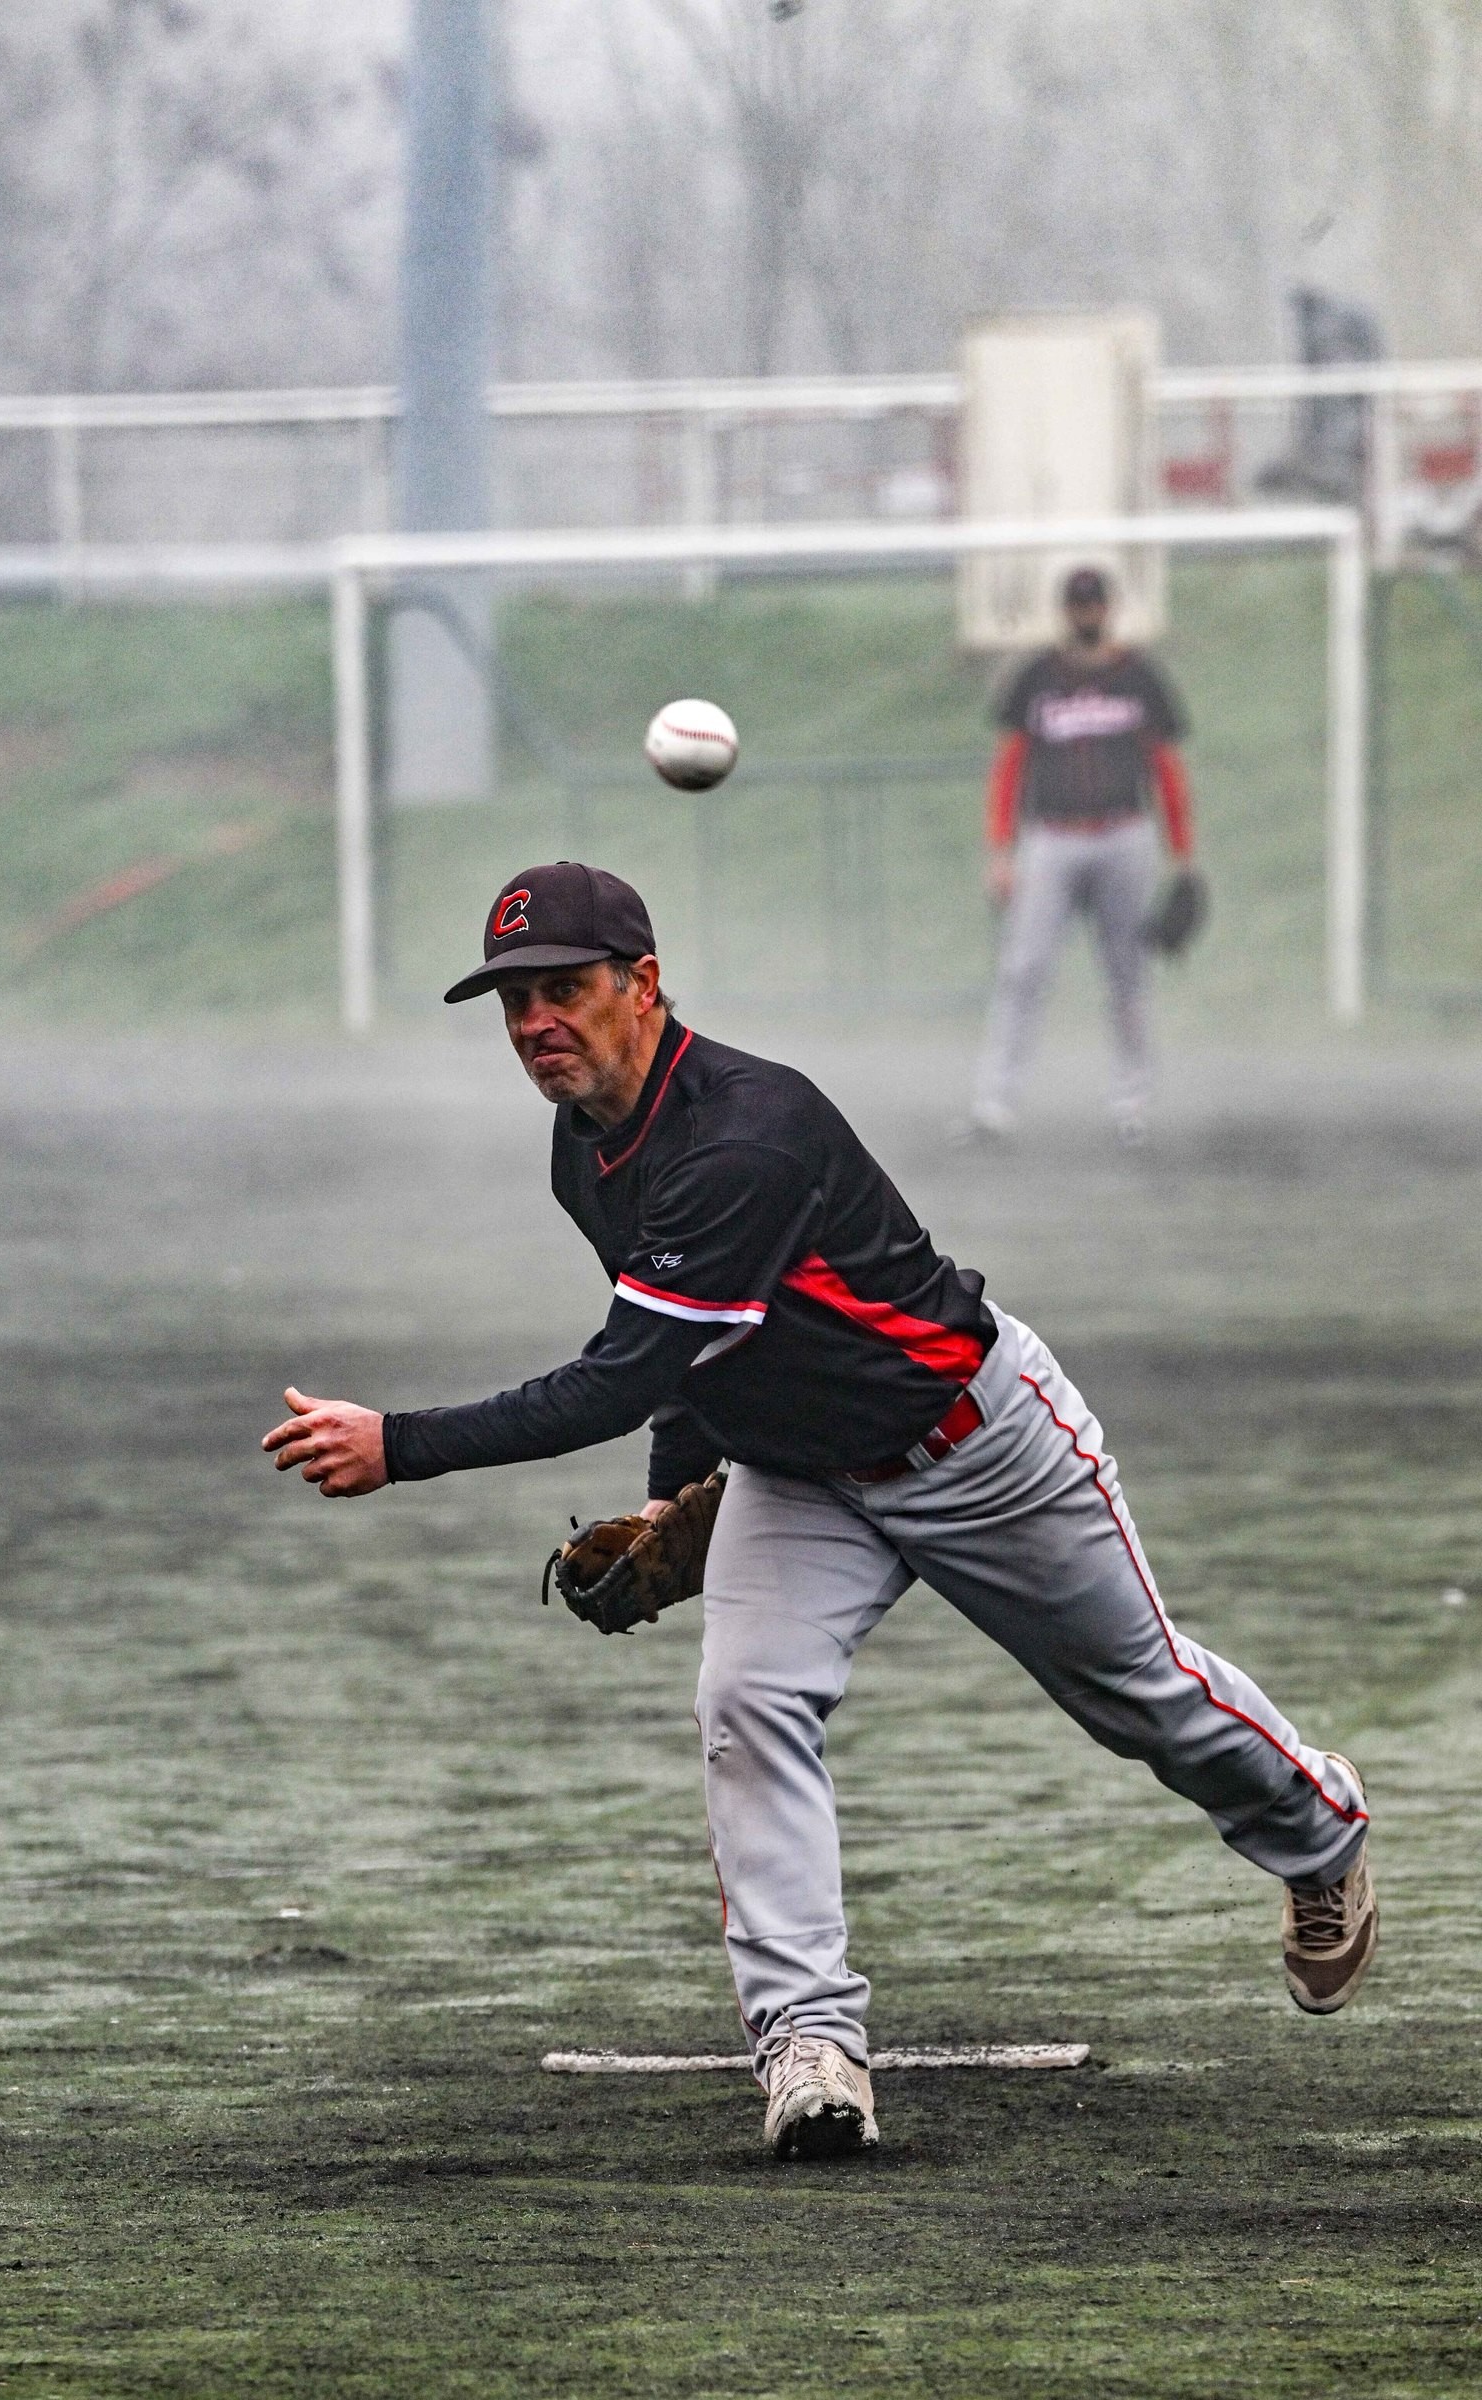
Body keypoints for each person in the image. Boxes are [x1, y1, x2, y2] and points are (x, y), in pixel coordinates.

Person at [263, 861, 1376, 2163]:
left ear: (643, 984)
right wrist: (671, 1495)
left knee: (1139, 1698)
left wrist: (401, 1445)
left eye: (563, 989)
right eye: (514, 1001)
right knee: (747, 1704)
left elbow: (617, 1375)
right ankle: (807, 2042)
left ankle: (1318, 1831)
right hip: (798, 1476)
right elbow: (682, 1354)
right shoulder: (586, 1150)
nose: (534, 1023)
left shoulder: (746, 1136)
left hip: (976, 1446)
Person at [970, 564, 1196, 1146]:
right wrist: (1001, 850)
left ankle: (1132, 1100)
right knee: (1023, 970)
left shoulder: (1139, 677)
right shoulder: (1035, 678)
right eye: (1078, 605)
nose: (1087, 614)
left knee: (1127, 974)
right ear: (1065, 610)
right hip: (1051, 840)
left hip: (1125, 837)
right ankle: (994, 1103)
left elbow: (1167, 769)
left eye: (1094, 605)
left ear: (1109, 609)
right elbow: (1009, 768)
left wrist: (1183, 856)